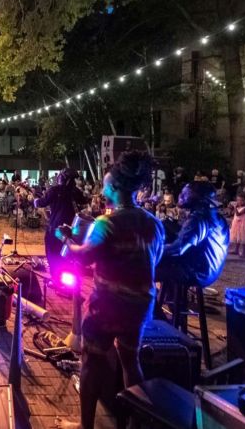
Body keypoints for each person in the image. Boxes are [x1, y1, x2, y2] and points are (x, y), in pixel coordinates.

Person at [55, 151, 164, 429]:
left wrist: (67, 238)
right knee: (130, 360)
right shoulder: (154, 223)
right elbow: (155, 259)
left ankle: (86, 426)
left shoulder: (107, 223)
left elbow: (83, 257)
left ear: (114, 188)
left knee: (91, 359)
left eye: (104, 185)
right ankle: (134, 425)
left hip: (109, 305)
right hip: (140, 305)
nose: (101, 189)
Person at [156, 181, 229, 289]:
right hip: (209, 269)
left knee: (143, 267)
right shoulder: (214, 215)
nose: (180, 196)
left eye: (185, 193)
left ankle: (149, 303)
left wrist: (150, 250)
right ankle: (169, 296)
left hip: (196, 271)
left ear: (196, 196)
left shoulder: (199, 217)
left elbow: (178, 249)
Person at [34, 167, 87, 283]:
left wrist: (35, 201)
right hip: (71, 228)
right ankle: (66, 278)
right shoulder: (75, 191)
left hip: (56, 228)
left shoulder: (55, 190)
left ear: (62, 178)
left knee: (52, 251)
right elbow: (84, 200)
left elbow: (42, 202)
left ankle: (56, 279)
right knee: (66, 253)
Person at [229, 193, 245, 258]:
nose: (239, 202)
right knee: (237, 238)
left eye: (241, 200)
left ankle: (244, 253)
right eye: (238, 200)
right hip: (236, 224)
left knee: (243, 239)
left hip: (242, 225)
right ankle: (236, 250)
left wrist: (235, 207)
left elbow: (238, 214)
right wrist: (231, 208)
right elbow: (232, 214)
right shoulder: (238, 207)